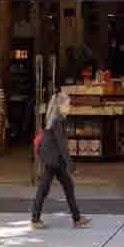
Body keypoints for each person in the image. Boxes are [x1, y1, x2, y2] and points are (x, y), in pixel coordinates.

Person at [30, 88, 92, 229]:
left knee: (47, 187)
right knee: (55, 187)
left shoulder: (55, 118)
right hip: (54, 160)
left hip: (51, 158)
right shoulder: (58, 121)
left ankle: (37, 218)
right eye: (67, 105)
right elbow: (61, 144)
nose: (69, 107)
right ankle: (75, 219)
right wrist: (70, 164)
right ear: (60, 106)